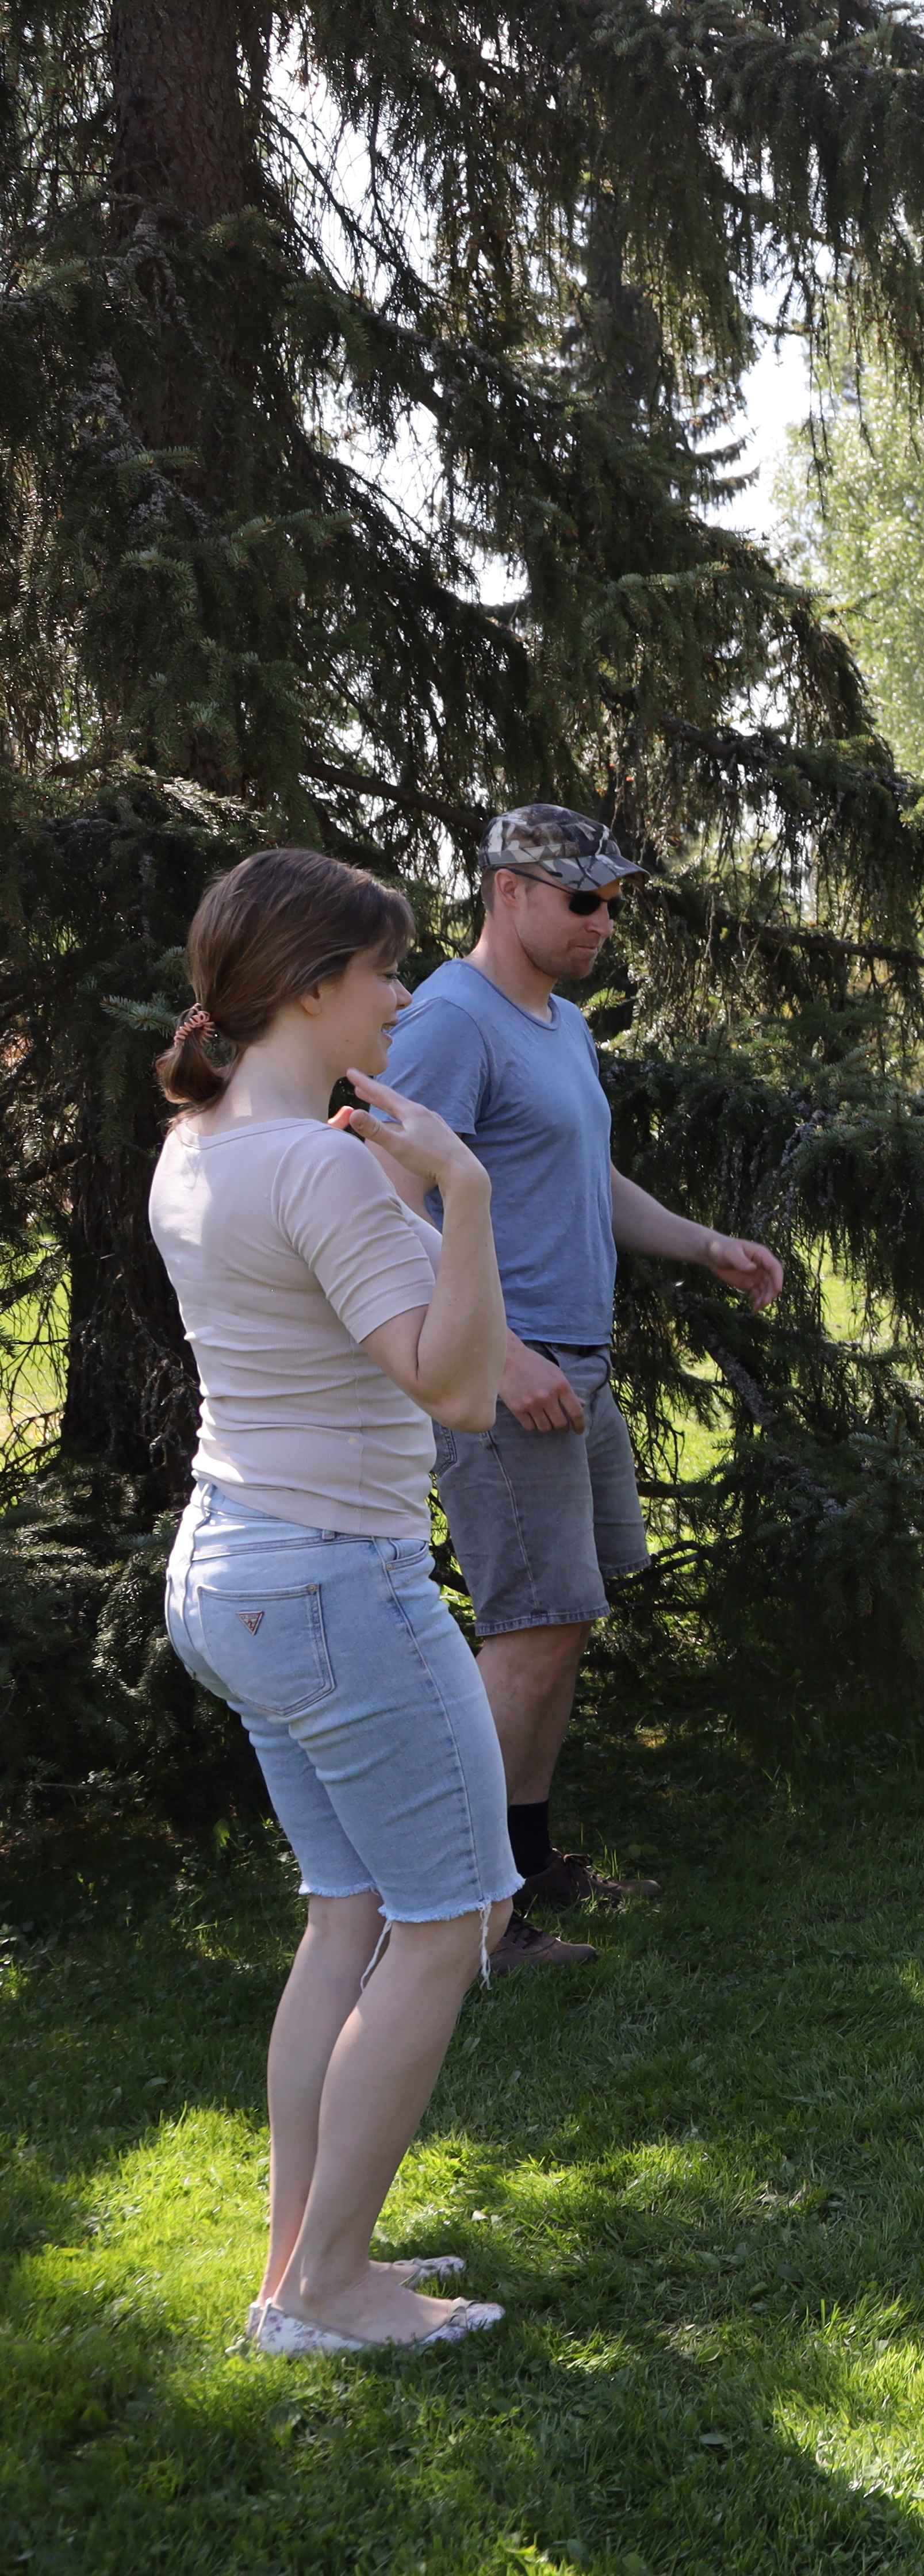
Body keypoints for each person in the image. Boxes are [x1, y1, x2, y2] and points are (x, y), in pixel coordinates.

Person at [147, 848, 519, 2354]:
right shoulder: (313, 1163)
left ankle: (301, 2258)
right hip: (329, 1583)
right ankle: (332, 2292)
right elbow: (459, 1386)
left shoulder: (201, 1141)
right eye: (383, 970)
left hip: (231, 1567)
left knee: (346, 1912)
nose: (408, 991)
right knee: (452, 1920)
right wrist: (466, 1187)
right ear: (309, 989)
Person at [379, 804, 786, 1971]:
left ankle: (529, 1856)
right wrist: (497, 1353)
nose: (604, 921)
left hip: (579, 1366)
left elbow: (586, 1173)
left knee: (559, 1624)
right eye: (583, 900)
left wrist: (706, 1243)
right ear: (509, 892)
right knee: (526, 1628)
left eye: (612, 900)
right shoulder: (452, 1020)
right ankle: (469, 1916)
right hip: (512, 1373)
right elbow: (387, 1198)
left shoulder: (555, 1022)